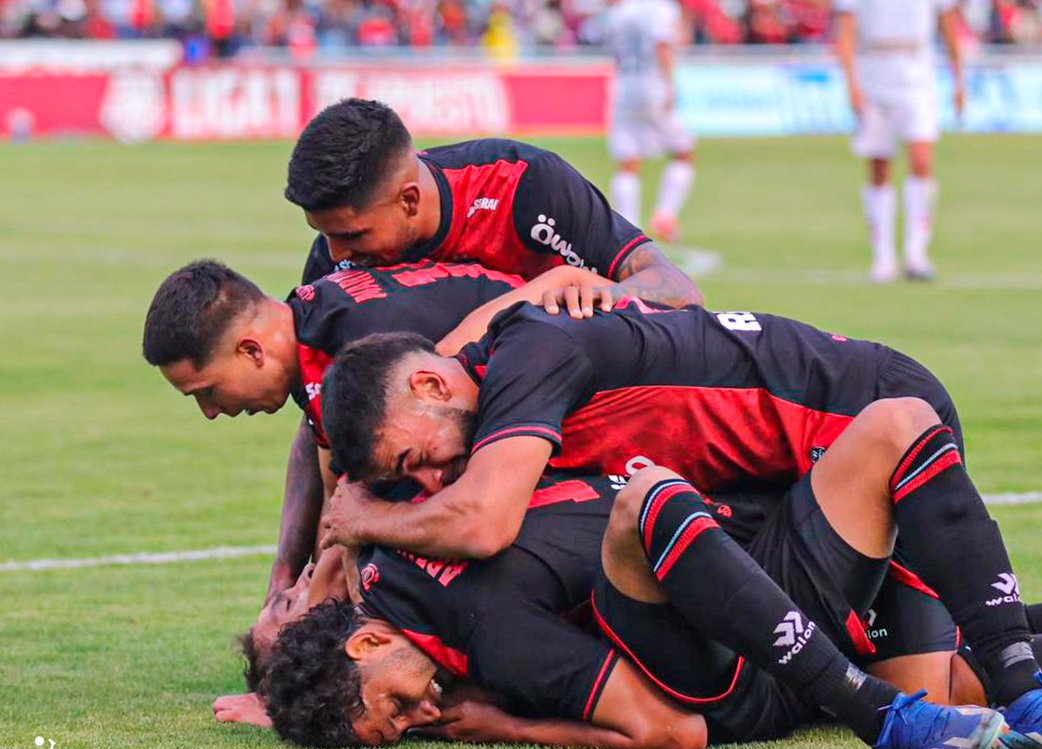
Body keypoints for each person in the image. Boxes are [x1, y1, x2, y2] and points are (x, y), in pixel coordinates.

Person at [314, 304, 1042, 749]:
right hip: (776, 505)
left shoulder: (525, 367)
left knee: (945, 678)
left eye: (416, 460)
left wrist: (356, 523)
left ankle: (1036, 684)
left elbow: (483, 523)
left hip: (849, 442)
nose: (426, 483)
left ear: (430, 384)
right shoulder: (500, 365)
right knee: (938, 683)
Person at [141, 259, 613, 597]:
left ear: (251, 352)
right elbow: (338, 505)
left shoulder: (358, 348)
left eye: (206, 391)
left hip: (611, 410)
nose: (209, 411)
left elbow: (351, 524)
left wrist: (291, 659)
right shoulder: (315, 327)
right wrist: (292, 581)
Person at [287, 99, 703, 327]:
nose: (337, 254)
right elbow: (321, 413)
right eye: (325, 234)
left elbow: (679, 292)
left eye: (354, 235)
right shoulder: (336, 257)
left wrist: (601, 296)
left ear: (409, 201)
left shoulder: (524, 183)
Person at [833, 0, 965, 282]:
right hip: (873, 69)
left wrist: (958, 79)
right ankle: (883, 257)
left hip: (917, 68)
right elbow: (845, 30)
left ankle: (916, 253)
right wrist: (851, 84)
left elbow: (950, 24)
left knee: (921, 159)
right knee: (879, 166)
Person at [604, 0, 697, 240]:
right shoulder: (660, 9)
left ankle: (628, 229)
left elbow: (616, 55)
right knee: (684, 152)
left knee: (627, 162)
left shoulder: (617, 13)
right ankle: (665, 216)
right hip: (652, 87)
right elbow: (662, 46)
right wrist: (670, 85)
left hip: (623, 89)